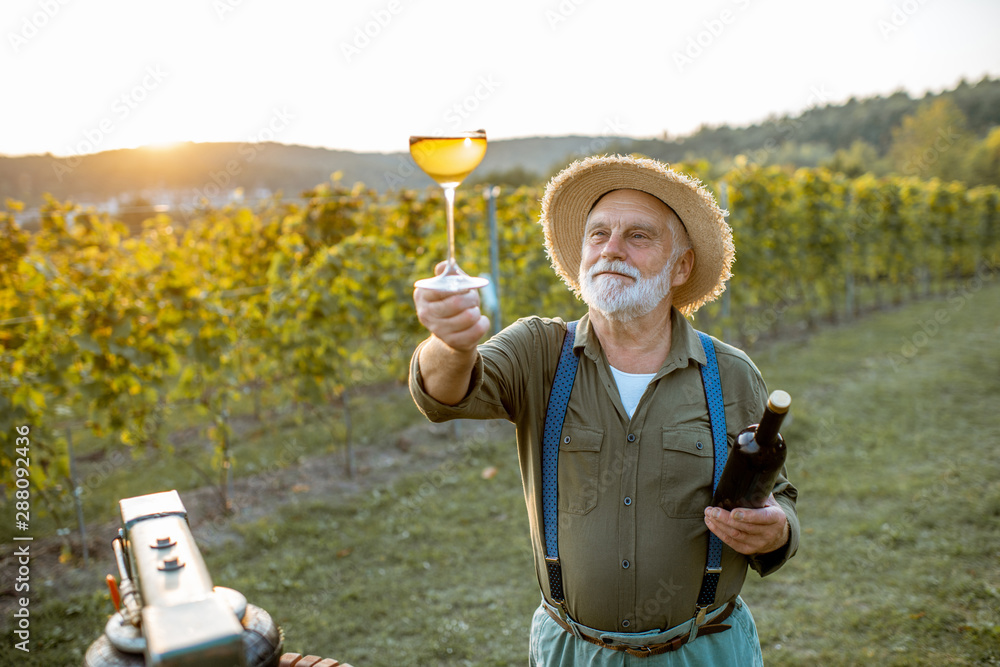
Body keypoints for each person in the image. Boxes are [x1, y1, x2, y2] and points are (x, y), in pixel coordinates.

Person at [409, 155, 799, 665]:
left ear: (681, 266)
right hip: (574, 651)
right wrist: (450, 343)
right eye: (598, 235)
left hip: (702, 649)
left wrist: (777, 528)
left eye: (638, 236)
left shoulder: (729, 372)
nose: (611, 249)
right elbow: (443, 394)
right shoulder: (538, 352)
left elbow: (779, 497)